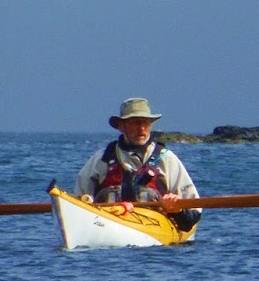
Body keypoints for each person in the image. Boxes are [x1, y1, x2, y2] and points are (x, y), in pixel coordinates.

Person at [74, 98, 202, 231]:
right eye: (135, 123)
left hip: (156, 229)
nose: (141, 128)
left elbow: (193, 212)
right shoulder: (102, 159)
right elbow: (80, 200)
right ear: (121, 126)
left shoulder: (166, 159)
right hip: (106, 224)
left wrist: (177, 208)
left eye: (145, 123)